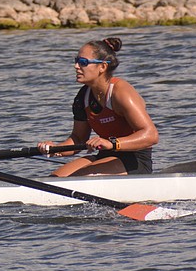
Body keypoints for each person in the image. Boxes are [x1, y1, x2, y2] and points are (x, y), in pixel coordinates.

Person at [37, 37, 158, 176]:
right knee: (54, 180)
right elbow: (78, 139)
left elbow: (151, 135)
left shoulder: (121, 93)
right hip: (104, 154)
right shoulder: (83, 97)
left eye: (83, 62)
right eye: (76, 61)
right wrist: (55, 148)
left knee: (78, 179)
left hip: (135, 160)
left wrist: (112, 144)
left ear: (102, 67)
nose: (76, 66)